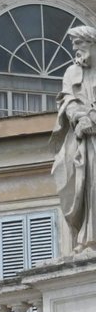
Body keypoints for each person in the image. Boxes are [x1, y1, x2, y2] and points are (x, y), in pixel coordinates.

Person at [51, 25, 96, 258]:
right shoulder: (72, 73)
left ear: (92, 44)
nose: (76, 50)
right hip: (83, 140)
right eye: (74, 45)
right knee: (85, 186)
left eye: (80, 44)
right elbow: (67, 100)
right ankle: (88, 238)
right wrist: (80, 117)